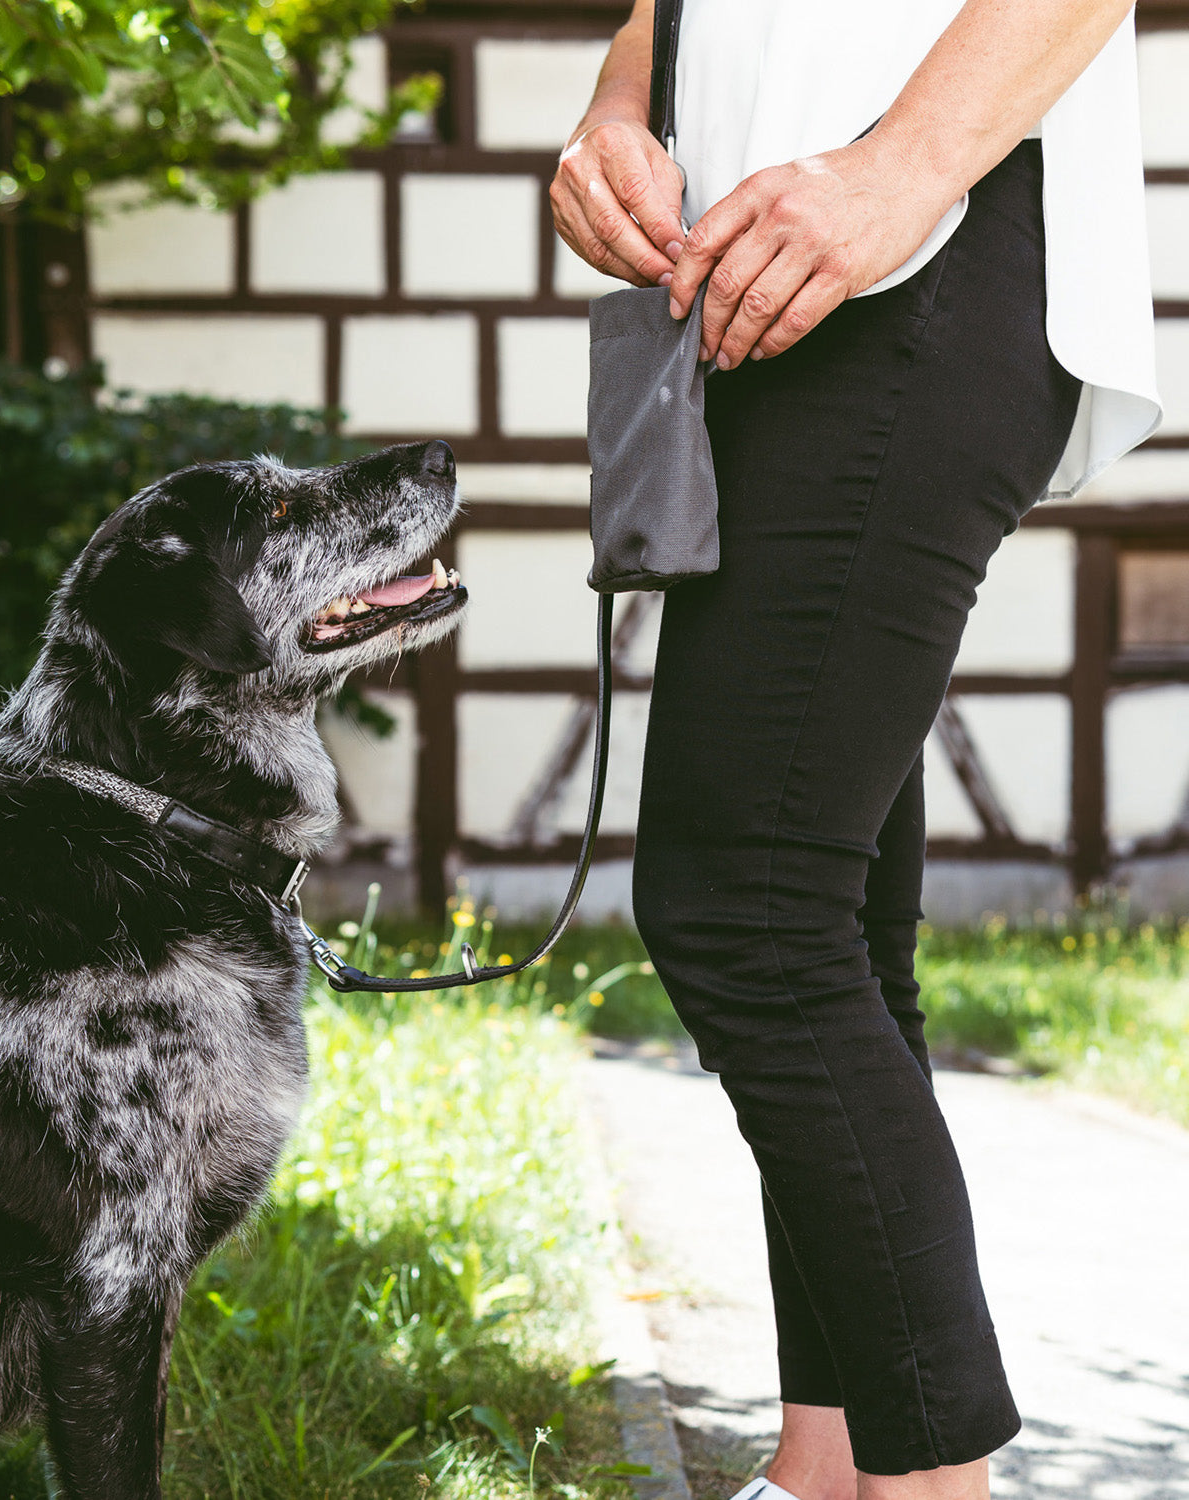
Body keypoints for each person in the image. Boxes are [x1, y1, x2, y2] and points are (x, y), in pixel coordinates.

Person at [551, 4, 1162, 1499]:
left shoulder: (905, 195)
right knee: (826, 928)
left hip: (917, 239)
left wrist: (903, 168)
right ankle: (830, 1465)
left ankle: (930, 1486)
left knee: (741, 906)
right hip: (766, 270)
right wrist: (617, 116)